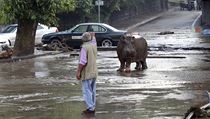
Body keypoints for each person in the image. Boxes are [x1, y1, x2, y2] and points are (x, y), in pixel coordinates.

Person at [76, 32, 98, 115]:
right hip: (94, 72)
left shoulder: (84, 48)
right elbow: (94, 41)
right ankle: (92, 106)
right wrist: (93, 37)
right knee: (92, 90)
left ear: (82, 39)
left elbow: (82, 62)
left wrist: (78, 71)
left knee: (87, 90)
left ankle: (90, 108)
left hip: (87, 72)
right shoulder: (93, 45)